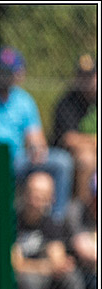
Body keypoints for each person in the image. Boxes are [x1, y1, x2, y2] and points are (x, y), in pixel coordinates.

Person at [0, 47, 74, 223]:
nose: (6, 77)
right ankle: (2, 221)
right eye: (3, 71)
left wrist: (37, 149)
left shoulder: (24, 100)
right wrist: (1, 149)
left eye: (11, 72)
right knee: (1, 165)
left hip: (19, 161)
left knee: (62, 162)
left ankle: (56, 222)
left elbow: (36, 137)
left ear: (19, 74)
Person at [12, 171, 83, 289]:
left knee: (72, 277)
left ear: (50, 199)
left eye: (43, 196)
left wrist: (44, 265)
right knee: (29, 281)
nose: (38, 200)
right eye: (34, 194)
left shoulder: (51, 223)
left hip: (46, 281)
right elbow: (15, 264)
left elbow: (58, 260)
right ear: (25, 193)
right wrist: (46, 265)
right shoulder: (12, 222)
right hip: (18, 285)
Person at [50, 55, 97, 211]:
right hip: (70, 155)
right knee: (86, 159)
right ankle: (81, 213)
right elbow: (70, 139)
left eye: (90, 76)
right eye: (82, 76)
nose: (86, 81)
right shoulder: (67, 101)